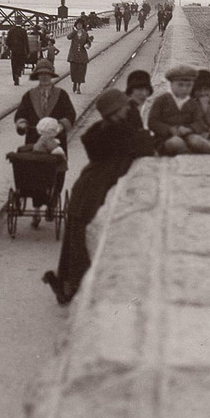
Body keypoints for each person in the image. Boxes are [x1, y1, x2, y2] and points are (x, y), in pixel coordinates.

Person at [43, 88, 154, 305]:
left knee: (76, 231)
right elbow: (142, 144)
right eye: (124, 107)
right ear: (115, 111)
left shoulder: (108, 130)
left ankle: (68, 279)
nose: (128, 110)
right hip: (94, 188)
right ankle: (75, 282)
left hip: (89, 185)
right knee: (80, 233)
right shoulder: (118, 132)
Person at [15, 60, 77, 148]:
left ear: (51, 75)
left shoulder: (61, 95)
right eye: (41, 74)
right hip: (33, 142)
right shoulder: (29, 95)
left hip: (56, 142)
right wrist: (22, 124)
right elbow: (21, 114)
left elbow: (70, 114)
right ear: (37, 76)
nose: (44, 77)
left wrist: (61, 126)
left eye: (47, 74)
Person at [146, 63, 205, 155]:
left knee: (197, 141)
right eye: (180, 85)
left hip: (187, 136)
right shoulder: (162, 100)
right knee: (175, 143)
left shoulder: (193, 103)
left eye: (188, 85)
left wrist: (189, 129)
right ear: (172, 84)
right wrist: (169, 129)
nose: (184, 89)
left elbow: (200, 122)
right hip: (164, 139)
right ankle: (188, 156)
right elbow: (152, 122)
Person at [66, 19, 93, 94]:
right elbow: (68, 37)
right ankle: (74, 83)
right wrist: (74, 31)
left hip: (82, 56)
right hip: (73, 55)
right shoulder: (73, 33)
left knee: (81, 72)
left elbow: (88, 42)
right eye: (78, 25)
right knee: (73, 71)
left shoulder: (85, 33)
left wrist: (88, 45)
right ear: (76, 25)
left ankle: (78, 87)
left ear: (82, 26)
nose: (79, 26)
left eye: (80, 25)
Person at [6, 21, 30, 85]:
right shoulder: (23, 31)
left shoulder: (11, 31)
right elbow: (26, 42)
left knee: (14, 64)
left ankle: (15, 77)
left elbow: (7, 42)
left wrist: (10, 48)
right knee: (20, 63)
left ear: (15, 22)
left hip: (13, 51)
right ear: (21, 22)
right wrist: (28, 52)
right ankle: (18, 73)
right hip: (21, 50)